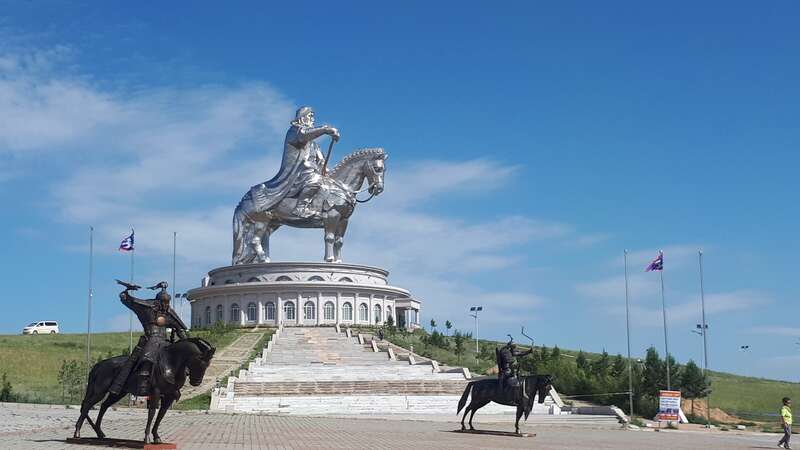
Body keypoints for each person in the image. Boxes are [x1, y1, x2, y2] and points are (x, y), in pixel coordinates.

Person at [250, 106, 340, 219]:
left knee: (329, 184)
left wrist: (327, 172)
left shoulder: (314, 145)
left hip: (310, 174)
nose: (312, 119)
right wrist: (325, 129)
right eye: (310, 116)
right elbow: (303, 135)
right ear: (302, 118)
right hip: (297, 175)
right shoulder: (294, 132)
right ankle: (301, 208)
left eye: (313, 117)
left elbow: (321, 161)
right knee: (315, 180)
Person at [109, 281, 188, 396]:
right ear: (158, 301)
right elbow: (127, 299)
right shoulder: (147, 308)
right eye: (163, 302)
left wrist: (186, 343)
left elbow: (180, 329)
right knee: (147, 357)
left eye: (167, 303)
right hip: (150, 339)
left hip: (165, 342)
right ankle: (143, 383)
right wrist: (126, 291)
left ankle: (174, 385)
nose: (165, 305)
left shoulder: (169, 313)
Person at [496, 336, 533, 402]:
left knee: (521, 378)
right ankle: (507, 394)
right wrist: (515, 364)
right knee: (513, 381)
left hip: (512, 369)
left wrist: (528, 351)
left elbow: (519, 353)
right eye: (513, 348)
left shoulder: (510, 351)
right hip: (507, 369)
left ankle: (520, 393)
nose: (514, 350)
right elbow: (509, 360)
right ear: (510, 347)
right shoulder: (504, 351)